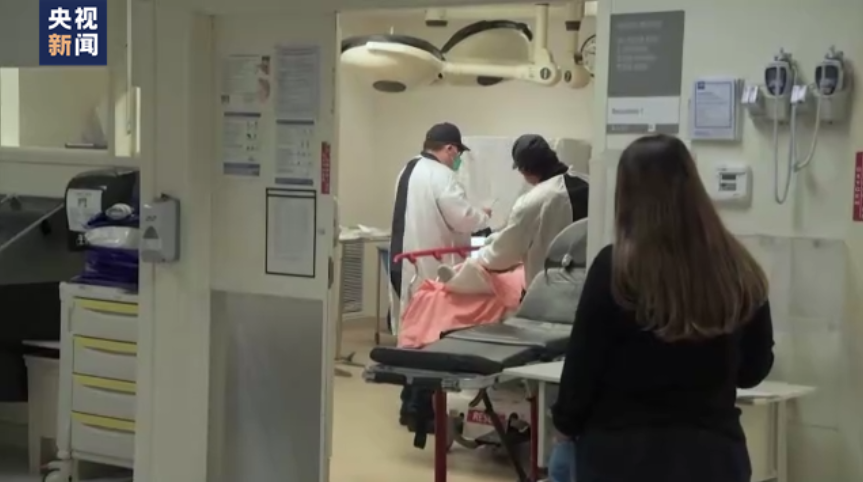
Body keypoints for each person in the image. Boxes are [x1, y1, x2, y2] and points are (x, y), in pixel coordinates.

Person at [552, 134, 774, 482]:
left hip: (622, 455)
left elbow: (582, 366)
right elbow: (753, 370)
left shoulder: (615, 268)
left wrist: (564, 429)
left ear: (626, 195)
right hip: (714, 456)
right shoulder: (738, 267)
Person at [389, 122, 491, 428]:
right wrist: (484, 216)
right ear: (449, 149)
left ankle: (410, 405)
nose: (457, 159)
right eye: (457, 153)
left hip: (405, 262)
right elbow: (462, 218)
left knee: (412, 334)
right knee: (430, 336)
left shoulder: (408, 169)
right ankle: (420, 411)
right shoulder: (442, 175)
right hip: (428, 266)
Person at [456, 134, 589, 290]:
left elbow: (502, 255)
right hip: (588, 287)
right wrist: (495, 238)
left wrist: (479, 257)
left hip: (548, 293)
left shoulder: (533, 201)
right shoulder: (588, 183)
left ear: (524, 170)